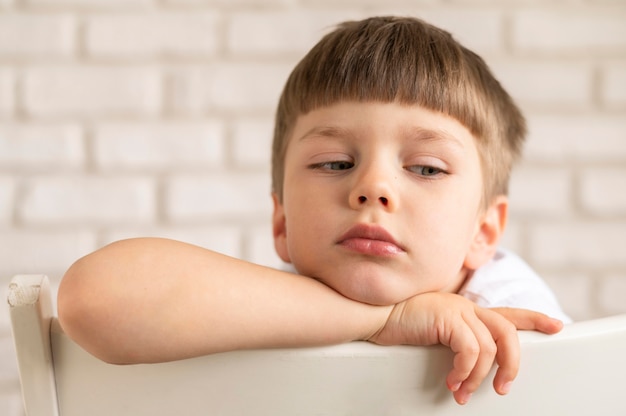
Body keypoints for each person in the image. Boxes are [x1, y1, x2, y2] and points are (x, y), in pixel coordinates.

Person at [57, 16, 568, 406]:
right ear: (282, 223)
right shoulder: (266, 302)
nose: (373, 187)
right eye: (335, 162)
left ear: (484, 231)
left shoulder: (508, 314)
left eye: (428, 169)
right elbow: (91, 299)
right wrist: (381, 320)